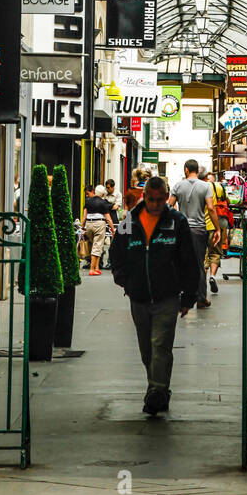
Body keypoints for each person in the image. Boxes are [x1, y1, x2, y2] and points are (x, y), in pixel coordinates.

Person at [109, 175, 201, 415]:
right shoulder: (130, 220)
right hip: (138, 297)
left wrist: (188, 297)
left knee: (160, 345)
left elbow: (189, 261)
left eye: (161, 200)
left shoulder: (176, 222)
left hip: (167, 296)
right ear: (144, 196)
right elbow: (116, 252)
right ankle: (159, 390)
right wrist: (125, 280)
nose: (156, 204)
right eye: (151, 199)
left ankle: (156, 392)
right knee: (146, 350)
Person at [170, 159, 220, 308]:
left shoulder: (178, 186)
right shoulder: (205, 186)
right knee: (198, 264)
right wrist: (217, 228)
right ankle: (201, 298)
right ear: (197, 171)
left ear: (186, 170)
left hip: (182, 231)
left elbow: (168, 205)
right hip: (199, 230)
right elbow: (211, 208)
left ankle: (180, 296)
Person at [201, 169, 230, 292]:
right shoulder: (218, 187)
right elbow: (228, 201)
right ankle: (212, 276)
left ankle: (202, 282)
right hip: (215, 224)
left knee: (203, 255)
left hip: (200, 225)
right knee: (215, 252)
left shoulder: (199, 186)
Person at [81, 184, 116, 276]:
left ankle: (97, 267)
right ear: (102, 193)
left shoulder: (88, 201)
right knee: (97, 246)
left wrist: (82, 227)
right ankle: (92, 269)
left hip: (89, 224)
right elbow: (108, 218)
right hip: (99, 224)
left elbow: (84, 216)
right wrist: (113, 230)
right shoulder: (103, 203)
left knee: (95, 246)